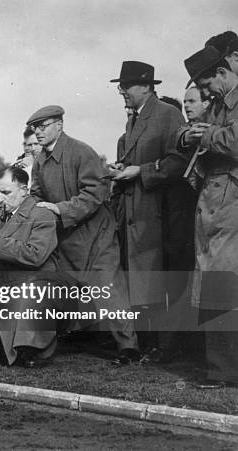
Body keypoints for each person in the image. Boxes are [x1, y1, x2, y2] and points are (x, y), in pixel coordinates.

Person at [28, 105, 140, 364]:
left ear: (60, 125)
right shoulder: (41, 161)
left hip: (97, 235)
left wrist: (59, 208)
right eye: (35, 128)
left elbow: (94, 193)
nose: (38, 133)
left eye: (43, 127)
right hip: (67, 238)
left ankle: (128, 347)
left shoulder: (81, 152)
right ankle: (76, 336)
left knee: (108, 289)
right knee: (68, 290)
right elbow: (36, 194)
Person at [109, 61, 193, 359]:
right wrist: (121, 168)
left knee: (160, 281)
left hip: (160, 215)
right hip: (136, 215)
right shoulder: (134, 119)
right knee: (143, 281)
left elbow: (179, 163)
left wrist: (138, 171)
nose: (121, 91)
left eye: (126, 85)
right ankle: (150, 344)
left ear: (145, 86)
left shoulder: (168, 115)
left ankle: (166, 347)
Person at [176, 46, 238, 388]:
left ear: (222, 73)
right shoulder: (219, 105)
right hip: (214, 201)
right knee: (214, 284)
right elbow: (188, 132)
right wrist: (190, 134)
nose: (206, 93)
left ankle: (224, 370)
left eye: (207, 84)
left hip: (230, 203)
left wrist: (205, 135)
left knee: (223, 284)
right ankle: (219, 369)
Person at [0, 167, 69, 367]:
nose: (0, 199)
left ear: (24, 190)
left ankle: (32, 350)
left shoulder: (42, 214)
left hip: (38, 281)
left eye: (6, 193)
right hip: (5, 282)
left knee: (28, 300)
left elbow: (35, 255)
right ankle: (1, 341)